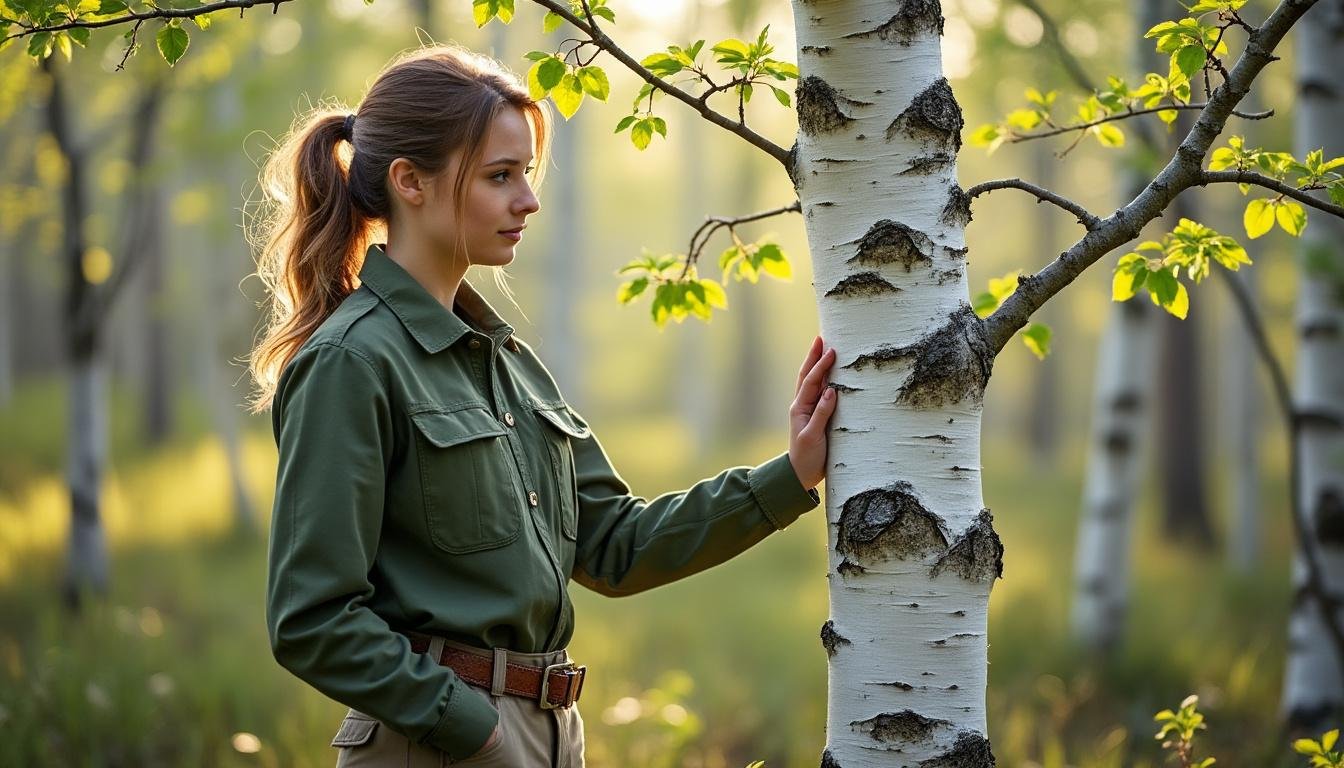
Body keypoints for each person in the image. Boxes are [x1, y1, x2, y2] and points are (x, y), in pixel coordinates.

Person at [246, 44, 839, 768]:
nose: (527, 199)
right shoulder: (352, 362)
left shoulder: (511, 366)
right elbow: (312, 619)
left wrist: (791, 474)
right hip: (436, 744)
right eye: (500, 176)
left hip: (552, 733)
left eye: (525, 173)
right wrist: (474, 729)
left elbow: (616, 545)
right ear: (410, 182)